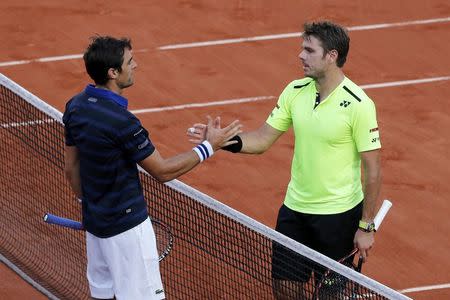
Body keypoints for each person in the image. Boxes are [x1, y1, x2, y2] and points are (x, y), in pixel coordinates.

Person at [188, 21, 382, 298]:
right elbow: (263, 139)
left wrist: (366, 226)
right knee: (285, 289)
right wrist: (221, 143)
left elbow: (373, 170)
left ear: (332, 55)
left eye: (309, 50)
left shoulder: (359, 105)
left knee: (328, 296)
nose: (300, 56)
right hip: (295, 211)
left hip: (338, 217)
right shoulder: (295, 91)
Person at [62, 36, 241, 300]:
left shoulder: (75, 106)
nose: (136, 65)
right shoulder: (123, 122)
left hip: (96, 227)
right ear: (113, 73)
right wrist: (208, 147)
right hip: (128, 231)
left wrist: (90, 206)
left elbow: (71, 167)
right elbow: (162, 170)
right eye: (129, 61)